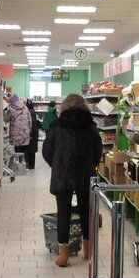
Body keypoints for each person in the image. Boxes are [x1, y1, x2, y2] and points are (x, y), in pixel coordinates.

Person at [42, 93, 103, 267]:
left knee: (63, 213)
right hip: (85, 174)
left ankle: (63, 255)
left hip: (63, 174)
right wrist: (91, 164)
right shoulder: (91, 126)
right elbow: (98, 151)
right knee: (86, 211)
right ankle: (87, 250)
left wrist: (56, 164)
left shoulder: (56, 126)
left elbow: (46, 151)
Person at [6, 94, 32, 166]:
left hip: (15, 133)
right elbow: (30, 120)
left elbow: (6, 119)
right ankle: (25, 165)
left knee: (16, 150)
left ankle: (17, 166)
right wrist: (29, 130)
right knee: (25, 149)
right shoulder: (25, 108)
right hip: (25, 133)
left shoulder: (10, 109)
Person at [25, 98, 41, 170]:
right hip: (34, 132)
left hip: (30, 133)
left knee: (28, 149)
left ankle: (29, 165)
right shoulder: (33, 111)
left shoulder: (28, 112)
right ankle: (32, 165)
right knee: (32, 150)